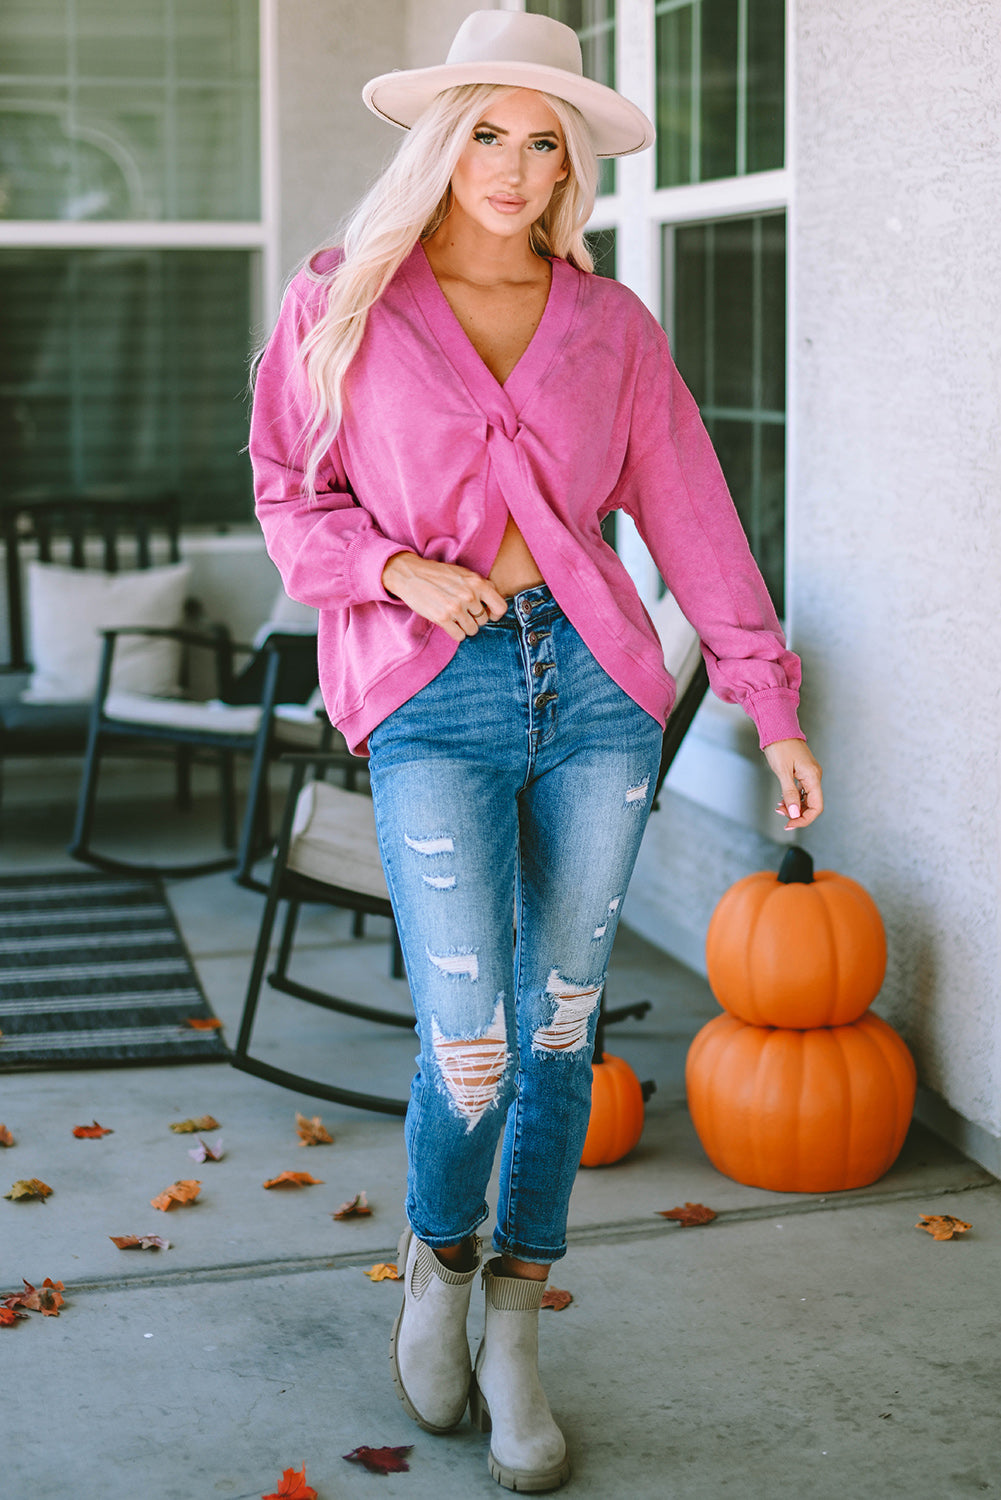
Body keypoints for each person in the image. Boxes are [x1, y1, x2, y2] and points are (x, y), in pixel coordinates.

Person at [250, 10, 822, 1492]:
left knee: (562, 1025)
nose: (513, 164)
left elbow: (690, 514)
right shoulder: (341, 303)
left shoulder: (610, 327)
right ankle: (436, 1271)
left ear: (571, 163)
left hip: (592, 693)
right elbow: (286, 494)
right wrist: (389, 572)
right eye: (488, 130)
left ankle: (516, 1325)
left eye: (543, 138)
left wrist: (767, 704)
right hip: (428, 692)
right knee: (473, 1034)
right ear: (442, 139)